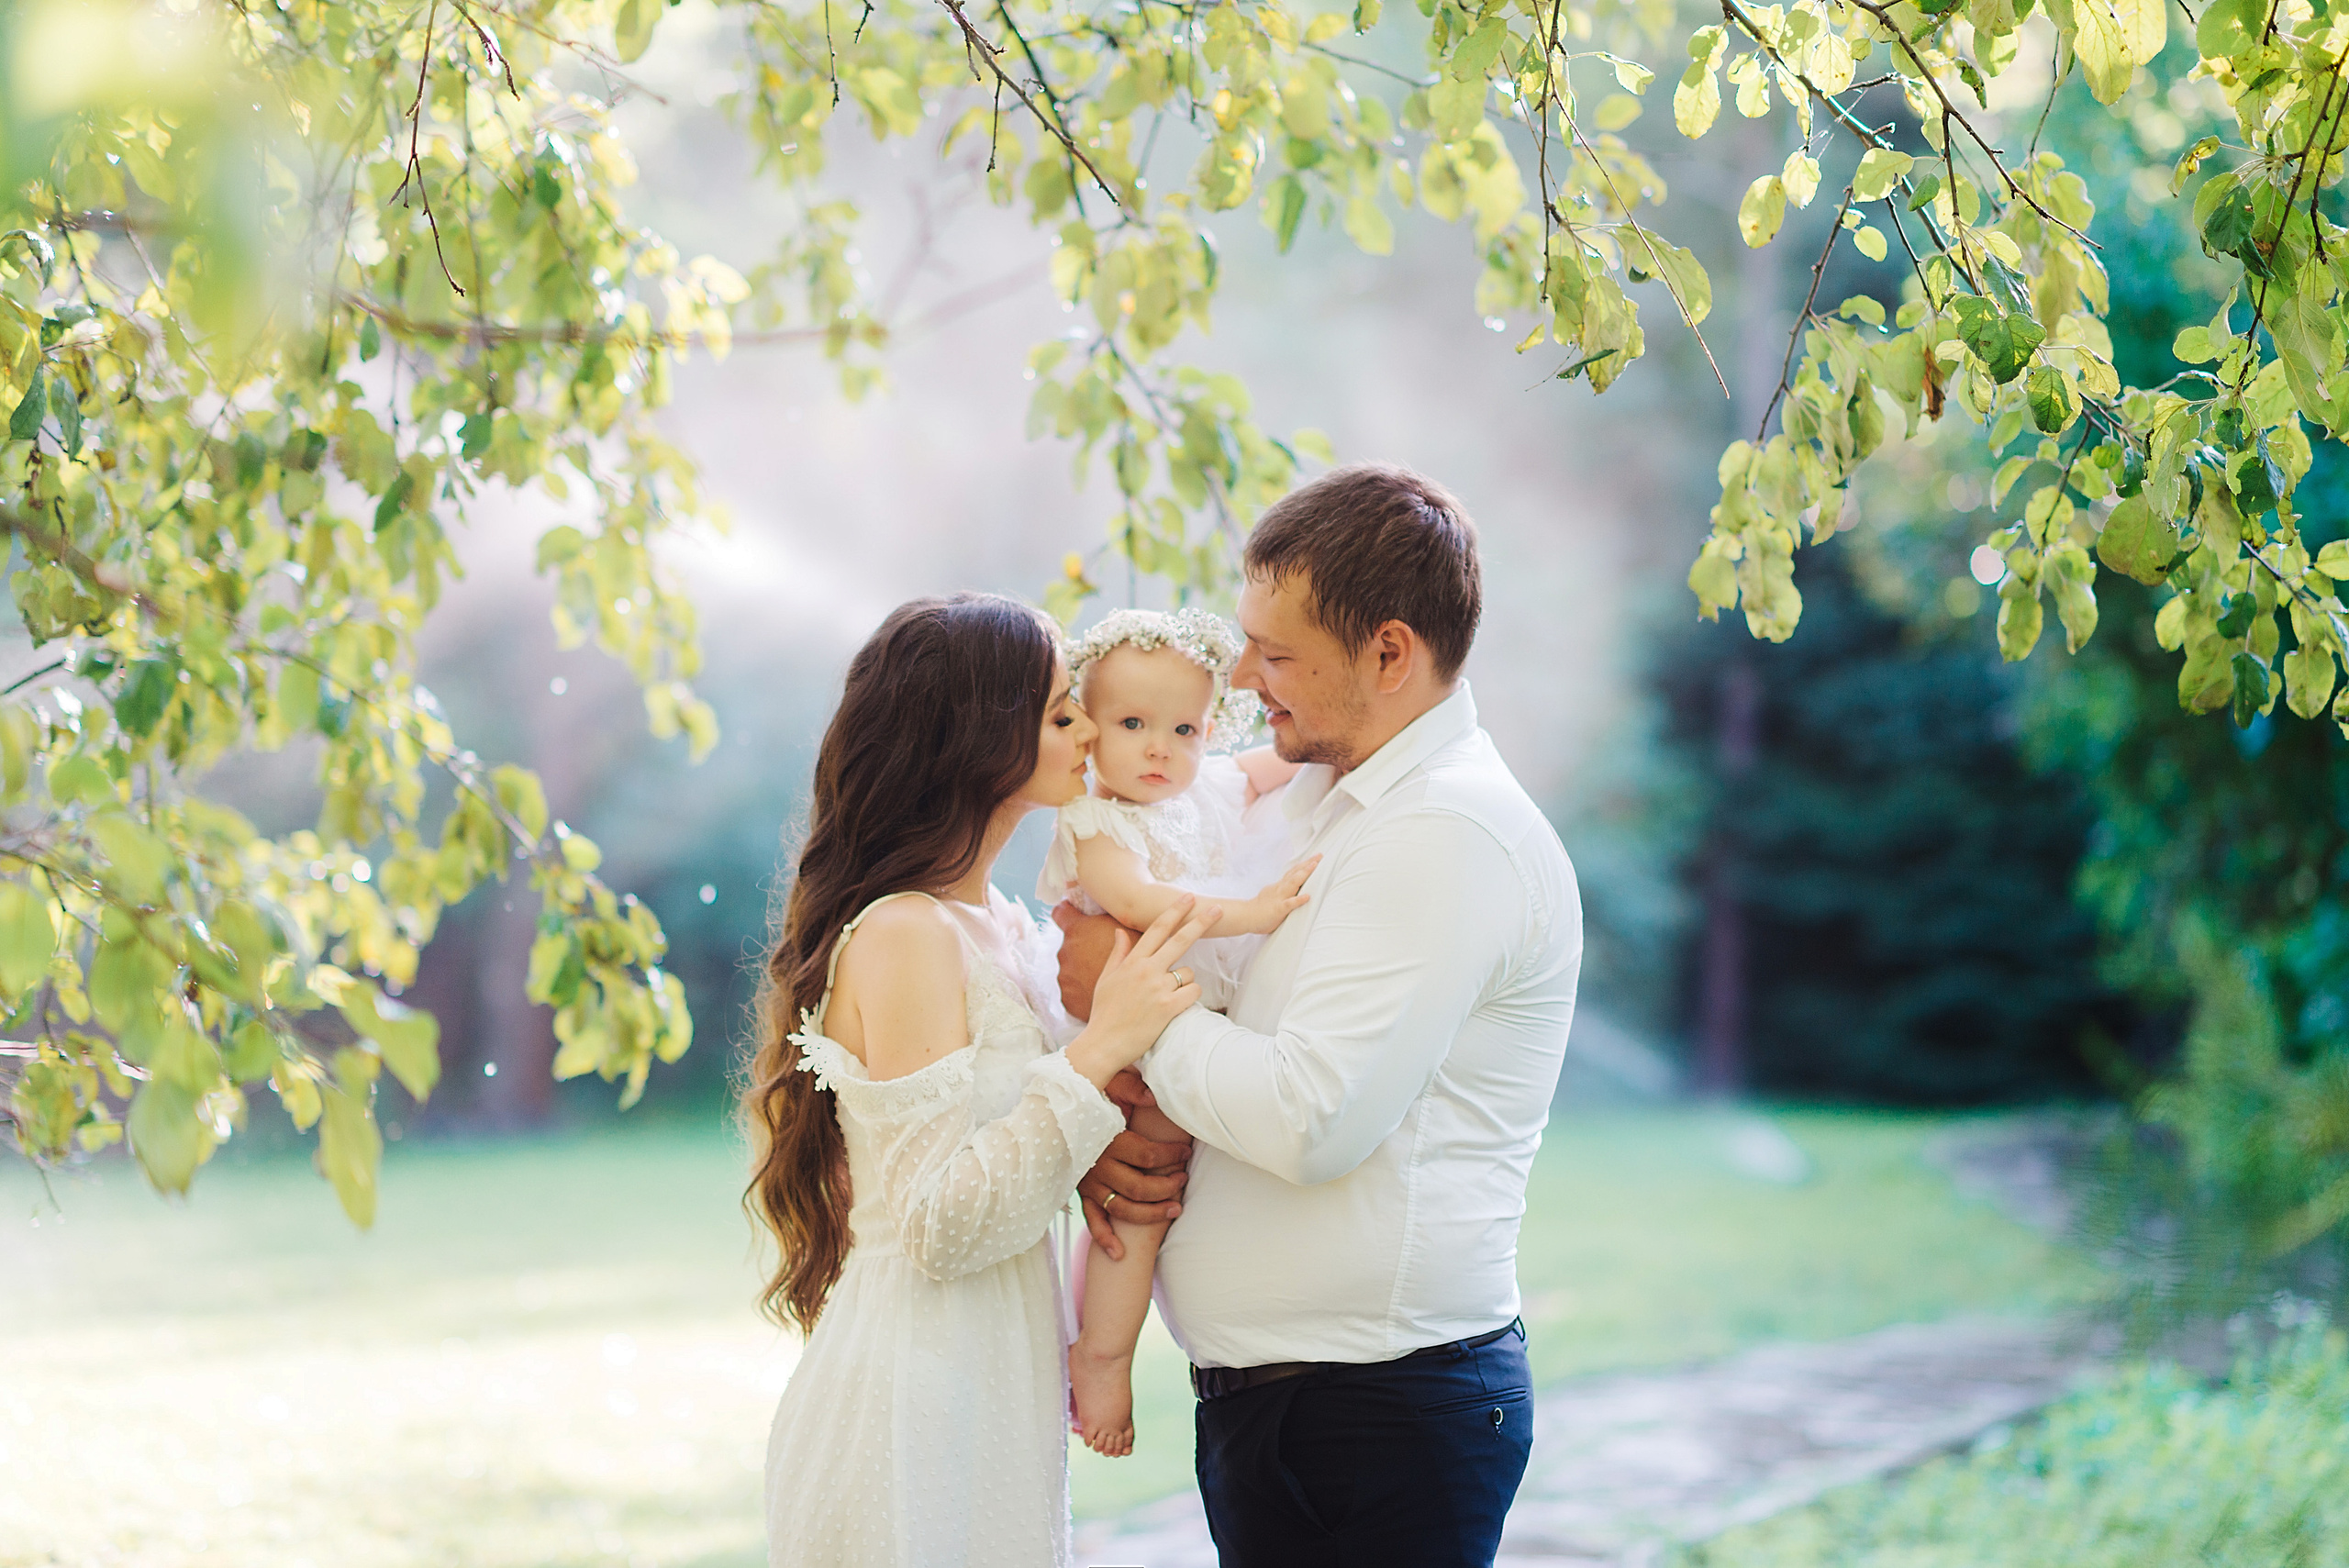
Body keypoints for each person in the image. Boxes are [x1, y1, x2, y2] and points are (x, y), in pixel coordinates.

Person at [1056, 464, 1584, 1567]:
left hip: (1379, 1415)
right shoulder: (1305, 796)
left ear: (1389, 652)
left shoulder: (1442, 834)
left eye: (1277, 651)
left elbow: (1309, 1118)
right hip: (1287, 1408)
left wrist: (1129, 1000)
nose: (1242, 678)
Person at [742, 593, 1220, 1568]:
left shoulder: (999, 920)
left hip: (994, 1376)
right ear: (976, 743)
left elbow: (998, 1137)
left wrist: (1086, 1158)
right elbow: (937, 1222)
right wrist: (1100, 1047)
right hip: (914, 1402)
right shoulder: (905, 932)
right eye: (1057, 713)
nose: (1089, 726)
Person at [1033, 606, 1313, 1458]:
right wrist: (1253, 911)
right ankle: (1103, 1358)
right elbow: (1136, 903)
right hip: (1132, 1043)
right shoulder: (1095, 823)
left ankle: (1109, 1344)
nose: (1161, 748)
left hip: (1190, 1033)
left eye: (1185, 727)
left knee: (1169, 1191)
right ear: (1089, 729)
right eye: (1132, 724)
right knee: (1139, 1205)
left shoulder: (1210, 787)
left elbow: (1286, 768)